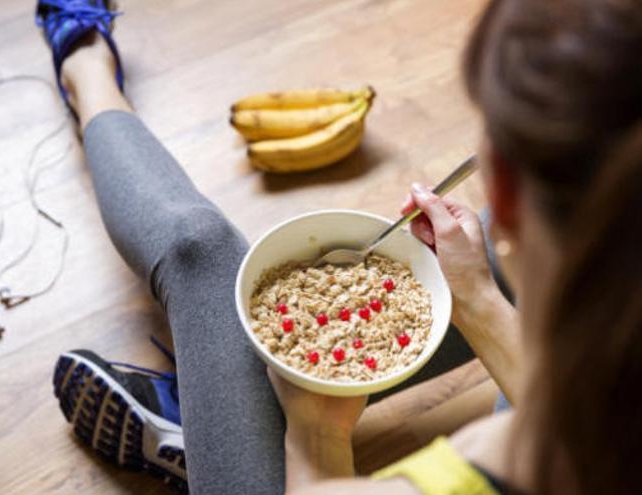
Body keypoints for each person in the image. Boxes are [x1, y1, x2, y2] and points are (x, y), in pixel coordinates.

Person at [38, 0, 642, 493]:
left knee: (202, 251)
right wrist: (477, 294)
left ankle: (86, 66)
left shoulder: (485, 469)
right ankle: (215, 412)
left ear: (504, 187)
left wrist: (313, 426)